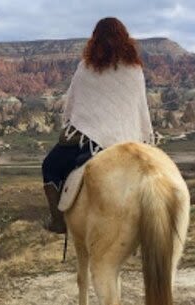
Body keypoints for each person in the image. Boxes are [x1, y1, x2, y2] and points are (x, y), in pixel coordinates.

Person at [41, 17, 154, 233]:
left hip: (91, 141)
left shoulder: (86, 68)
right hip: (129, 141)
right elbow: (141, 111)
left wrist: (79, 123)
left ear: (95, 40)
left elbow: (72, 105)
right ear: (125, 39)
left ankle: (58, 221)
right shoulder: (134, 70)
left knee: (49, 166)